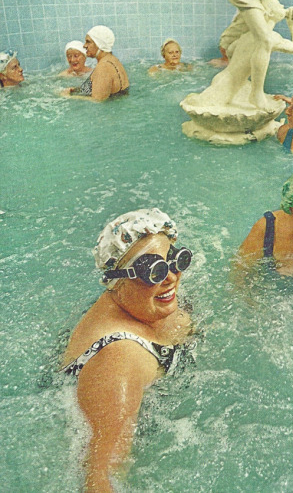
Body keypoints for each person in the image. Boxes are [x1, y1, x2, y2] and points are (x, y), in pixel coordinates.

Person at [60, 208, 195, 493]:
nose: (170, 277)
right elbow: (99, 477)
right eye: (152, 270)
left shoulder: (140, 300)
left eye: (174, 260)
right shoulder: (118, 360)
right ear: (117, 279)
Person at [191, 0, 293, 109]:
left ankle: (254, 92)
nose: (283, 6)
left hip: (223, 79)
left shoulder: (247, 35)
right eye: (279, 4)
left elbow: (230, 51)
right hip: (228, 87)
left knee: (199, 103)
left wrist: (241, 71)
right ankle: (256, 94)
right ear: (270, 13)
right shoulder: (270, 37)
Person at [61, 25, 129, 101]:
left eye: (88, 42)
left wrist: (68, 97)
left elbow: (97, 100)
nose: (84, 46)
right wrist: (77, 90)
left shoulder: (103, 67)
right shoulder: (112, 59)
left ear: (99, 44)